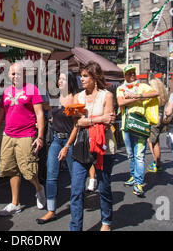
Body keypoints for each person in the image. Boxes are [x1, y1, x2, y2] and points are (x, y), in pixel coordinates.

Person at [0, 62, 46, 216]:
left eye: (18, 73)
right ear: (9, 75)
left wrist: (40, 136)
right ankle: (15, 203)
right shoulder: (6, 92)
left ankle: (39, 189)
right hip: (9, 135)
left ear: (24, 74)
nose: (15, 76)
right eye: (13, 74)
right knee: (11, 169)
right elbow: (0, 114)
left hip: (27, 135)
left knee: (29, 171)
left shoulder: (32, 90)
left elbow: (39, 114)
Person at [69, 62, 116, 231]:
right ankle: (75, 227)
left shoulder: (107, 96)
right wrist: (97, 119)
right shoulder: (78, 97)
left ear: (95, 78)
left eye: (85, 76)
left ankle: (106, 222)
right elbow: (77, 122)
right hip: (81, 146)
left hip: (103, 147)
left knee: (104, 187)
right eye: (81, 76)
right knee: (76, 190)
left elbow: (108, 123)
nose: (81, 79)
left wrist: (88, 120)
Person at [36, 71, 80, 225]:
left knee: (75, 176)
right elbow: (50, 113)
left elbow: (76, 125)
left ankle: (77, 207)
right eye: (59, 79)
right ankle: (51, 210)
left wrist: (67, 146)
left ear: (70, 81)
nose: (59, 81)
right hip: (56, 139)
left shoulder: (75, 99)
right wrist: (50, 120)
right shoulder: (55, 98)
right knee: (51, 175)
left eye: (62, 79)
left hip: (70, 140)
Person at [116, 64, 159, 197]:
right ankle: (134, 176)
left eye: (133, 72)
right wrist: (135, 98)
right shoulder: (120, 88)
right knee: (130, 154)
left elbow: (156, 93)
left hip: (140, 125)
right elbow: (120, 103)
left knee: (139, 155)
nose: (132, 75)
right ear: (125, 76)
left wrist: (136, 96)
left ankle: (139, 183)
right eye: (129, 73)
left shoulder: (142, 87)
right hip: (126, 126)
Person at [147, 78, 169, 173]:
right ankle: (156, 162)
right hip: (160, 120)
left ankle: (157, 163)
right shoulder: (164, 96)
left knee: (153, 142)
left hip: (153, 120)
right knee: (156, 142)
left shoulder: (153, 97)